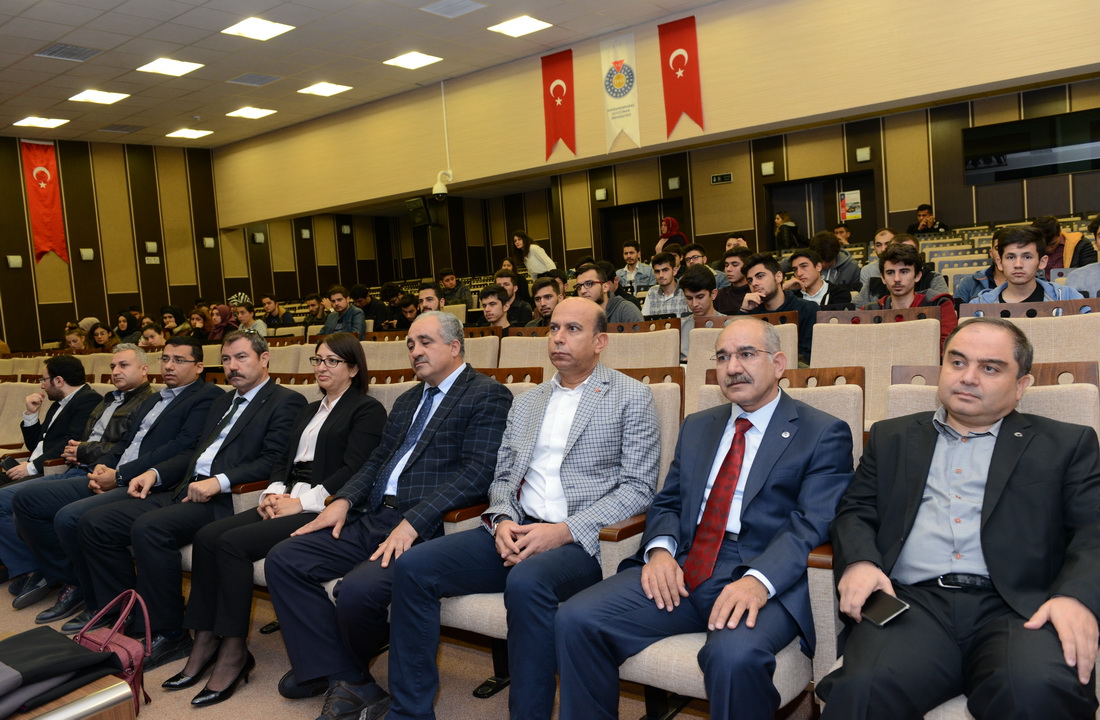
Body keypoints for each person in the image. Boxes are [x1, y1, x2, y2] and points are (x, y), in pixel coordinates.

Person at [556, 318, 854, 720]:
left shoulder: (821, 432)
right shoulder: (699, 425)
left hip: (761, 568)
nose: (733, 367)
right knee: (576, 618)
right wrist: (660, 551)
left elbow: (811, 524)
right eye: (723, 357)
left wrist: (758, 580)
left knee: (733, 657)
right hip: (687, 562)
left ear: (779, 363)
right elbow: (668, 501)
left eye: (746, 354)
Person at [387, 297, 660, 720]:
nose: (558, 338)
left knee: (527, 582)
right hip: (516, 529)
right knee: (413, 567)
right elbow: (502, 477)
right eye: (553, 328)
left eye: (573, 329)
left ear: (600, 341)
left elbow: (639, 489)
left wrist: (564, 531)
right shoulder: (528, 401)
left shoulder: (631, 396)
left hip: (581, 541)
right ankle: (409, 713)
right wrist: (502, 521)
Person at [817, 317, 1100, 719]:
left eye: (990, 368)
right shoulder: (891, 436)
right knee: (862, 690)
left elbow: (1093, 530)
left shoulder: (1067, 444)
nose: (968, 377)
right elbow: (855, 510)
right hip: (912, 604)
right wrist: (860, 561)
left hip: (1018, 608)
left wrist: (1075, 597)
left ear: (1021, 385)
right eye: (957, 362)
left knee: (1037, 692)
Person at [263, 311, 512, 718]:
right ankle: (347, 676)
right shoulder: (409, 399)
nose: (415, 351)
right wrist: (343, 500)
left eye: (425, 342)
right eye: (410, 344)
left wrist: (414, 521)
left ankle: (337, 674)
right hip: (374, 514)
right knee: (285, 559)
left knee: (357, 592)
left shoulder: (486, 394)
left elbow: (478, 472)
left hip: (425, 526)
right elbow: (378, 459)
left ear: (454, 346)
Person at [168, 334, 387, 707]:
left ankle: (234, 650)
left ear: (353, 369)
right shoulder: (309, 409)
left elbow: (355, 470)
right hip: (286, 498)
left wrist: (299, 503)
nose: (321, 367)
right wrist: (271, 494)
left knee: (232, 544)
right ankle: (204, 639)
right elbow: (282, 462)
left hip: (321, 506)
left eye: (332, 361)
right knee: (207, 536)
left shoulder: (366, 410)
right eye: (317, 360)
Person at [76, 331, 307, 668]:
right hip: (184, 488)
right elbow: (193, 453)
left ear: (264, 358)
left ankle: (169, 633)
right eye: (226, 359)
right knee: (96, 522)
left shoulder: (285, 401)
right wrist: (154, 473)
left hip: (226, 500)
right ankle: (127, 615)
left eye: (241, 357)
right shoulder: (223, 401)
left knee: (150, 528)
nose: (232, 366)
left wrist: (219, 482)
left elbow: (273, 461)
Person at [12, 336, 223, 633]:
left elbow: (180, 447)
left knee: (72, 518)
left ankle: (108, 603)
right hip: (116, 473)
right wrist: (105, 466)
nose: (169, 366)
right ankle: (84, 587)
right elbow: (126, 442)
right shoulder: (154, 399)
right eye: (165, 359)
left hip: (146, 481)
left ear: (199, 367)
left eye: (179, 360)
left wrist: (120, 475)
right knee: (30, 501)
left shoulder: (206, 396)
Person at [4, 345, 153, 620]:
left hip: (100, 473)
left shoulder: (148, 403)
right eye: (113, 366)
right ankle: (56, 573)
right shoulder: (108, 398)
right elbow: (64, 441)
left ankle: (71, 581)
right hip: (75, 468)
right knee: (20, 503)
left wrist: (83, 451)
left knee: (35, 504)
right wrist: (78, 449)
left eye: (123, 365)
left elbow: (128, 448)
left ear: (144, 369)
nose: (115, 371)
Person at [2, 355, 101, 605]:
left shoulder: (88, 401)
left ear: (58, 380)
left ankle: (32, 567)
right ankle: (18, 563)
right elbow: (39, 444)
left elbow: (70, 445)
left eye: (43, 379)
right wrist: (30, 415)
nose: (41, 385)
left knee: (5, 500)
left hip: (56, 470)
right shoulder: (59, 403)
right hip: (41, 466)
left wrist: (31, 467)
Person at [861, 243, 957, 350]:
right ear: (883, 278)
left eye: (904, 272)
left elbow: (948, 348)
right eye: (890, 273)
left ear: (917, 276)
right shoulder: (869, 311)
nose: (897, 279)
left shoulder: (939, 304)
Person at [972, 226, 1084, 303]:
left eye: (1027, 257)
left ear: (1042, 262)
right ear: (999, 263)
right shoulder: (979, 306)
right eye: (1011, 257)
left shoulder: (1068, 298)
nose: (1018, 264)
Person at [740, 254, 817, 365]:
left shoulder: (807, 309)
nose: (754, 283)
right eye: (750, 280)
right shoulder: (751, 314)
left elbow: (809, 356)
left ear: (778, 277)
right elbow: (736, 350)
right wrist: (743, 311)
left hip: (795, 371)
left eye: (760, 276)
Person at [858, 233, 950, 306]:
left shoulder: (932, 278)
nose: (897, 278)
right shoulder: (872, 284)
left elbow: (942, 305)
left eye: (908, 252)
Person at [678, 265, 724, 362]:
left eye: (700, 297)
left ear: (713, 294)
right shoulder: (679, 327)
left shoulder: (729, 325)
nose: (694, 304)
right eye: (689, 298)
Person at [575, 263, 644, 324]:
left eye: (589, 284)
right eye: (579, 286)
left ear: (605, 287)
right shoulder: (577, 315)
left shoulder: (626, 311)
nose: (582, 291)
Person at [1032, 215, 1097, 278]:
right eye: (1043, 246)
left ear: (1059, 232)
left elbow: (1090, 274)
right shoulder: (1030, 247)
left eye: (1053, 244)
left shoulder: (1081, 244)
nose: (1048, 249)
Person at [788, 249, 853, 307]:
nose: (799, 273)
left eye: (804, 266)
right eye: (795, 269)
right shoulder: (792, 297)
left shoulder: (839, 293)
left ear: (818, 267)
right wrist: (784, 287)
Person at [954, 239, 1007, 303]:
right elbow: (958, 308)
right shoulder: (968, 283)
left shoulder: (1018, 284)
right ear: (991, 253)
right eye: (998, 248)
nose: (1002, 253)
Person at [641, 252, 690, 318]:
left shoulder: (686, 291)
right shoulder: (652, 292)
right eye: (657, 271)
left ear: (674, 271)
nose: (661, 275)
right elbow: (644, 320)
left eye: (665, 270)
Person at [714, 247, 754, 314]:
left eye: (735, 265)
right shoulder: (720, 295)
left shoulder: (755, 292)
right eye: (726, 265)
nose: (728, 269)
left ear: (747, 266)